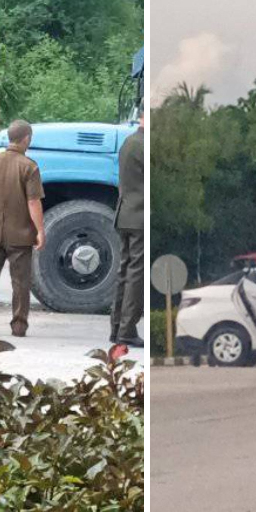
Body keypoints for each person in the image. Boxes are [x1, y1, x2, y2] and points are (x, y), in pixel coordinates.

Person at [0, 120, 46, 339]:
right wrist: (40, 230)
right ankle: (19, 326)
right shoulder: (29, 166)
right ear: (26, 139)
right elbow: (33, 202)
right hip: (20, 235)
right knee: (20, 282)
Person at [110, 114, 145, 349]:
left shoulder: (128, 142)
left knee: (124, 270)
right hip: (140, 216)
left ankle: (116, 328)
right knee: (135, 274)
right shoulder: (144, 145)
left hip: (124, 212)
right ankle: (128, 330)